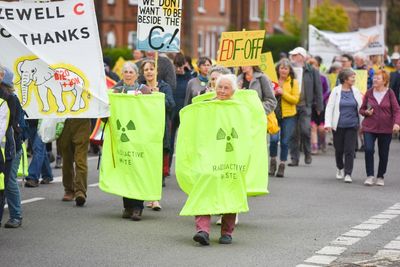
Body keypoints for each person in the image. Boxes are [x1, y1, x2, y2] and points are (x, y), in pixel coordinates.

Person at [178, 74, 244, 246]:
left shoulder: (239, 109)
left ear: (233, 90)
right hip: (207, 155)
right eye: (220, 86)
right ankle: (202, 230)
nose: (222, 90)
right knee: (203, 187)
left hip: (230, 157)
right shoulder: (205, 107)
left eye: (226, 87)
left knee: (230, 189)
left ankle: (227, 232)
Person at [111, 62, 151, 220]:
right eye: (125, 72)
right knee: (125, 172)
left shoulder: (144, 90)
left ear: (136, 74)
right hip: (123, 138)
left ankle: (138, 207)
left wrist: (144, 100)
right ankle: (127, 206)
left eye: (131, 72)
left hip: (139, 137)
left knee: (137, 171)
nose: (128, 74)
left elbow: (151, 110)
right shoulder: (116, 90)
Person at [141, 60, 175, 209]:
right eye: (146, 69)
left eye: (151, 69)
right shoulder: (140, 88)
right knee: (145, 165)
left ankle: (154, 198)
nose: (149, 72)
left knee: (157, 164)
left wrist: (158, 95)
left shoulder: (164, 87)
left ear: (157, 71)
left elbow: (171, 105)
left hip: (159, 130)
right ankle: (147, 195)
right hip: (143, 131)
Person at [359, 70, 400, 186]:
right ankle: (370, 175)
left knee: (383, 153)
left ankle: (380, 176)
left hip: (386, 128)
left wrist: (397, 123)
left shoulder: (390, 93)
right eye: (374, 77)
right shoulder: (369, 92)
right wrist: (366, 112)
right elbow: (361, 109)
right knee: (368, 150)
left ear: (385, 81)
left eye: (378, 78)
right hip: (369, 127)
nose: (375, 80)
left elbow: (397, 110)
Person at [325, 69, 363, 183]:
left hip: (352, 125)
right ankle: (340, 167)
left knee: (350, 150)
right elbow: (329, 107)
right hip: (338, 125)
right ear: (345, 79)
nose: (354, 79)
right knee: (339, 149)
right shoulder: (336, 91)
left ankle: (348, 173)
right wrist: (328, 123)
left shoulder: (356, 91)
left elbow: (361, 108)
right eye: (352, 77)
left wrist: (363, 123)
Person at [288, 47, 323, 166]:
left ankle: (307, 153)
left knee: (305, 130)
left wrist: (319, 106)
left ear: (302, 57)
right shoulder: (290, 70)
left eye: (295, 55)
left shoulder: (312, 70)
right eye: (292, 55)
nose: (292, 58)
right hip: (291, 105)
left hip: (305, 105)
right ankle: (294, 158)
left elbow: (318, 88)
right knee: (293, 133)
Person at [0, 67, 24, 228]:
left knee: (8, 182)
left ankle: (16, 215)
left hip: (11, 148)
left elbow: (9, 124)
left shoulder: (10, 99)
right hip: (7, 147)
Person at [269, 59, 300, 177]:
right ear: (278, 69)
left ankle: (282, 164)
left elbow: (295, 99)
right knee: (273, 139)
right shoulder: (272, 80)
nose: (283, 70)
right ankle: (272, 161)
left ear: (289, 70)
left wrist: (283, 93)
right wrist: (274, 93)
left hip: (289, 115)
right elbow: (267, 95)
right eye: (281, 68)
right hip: (274, 114)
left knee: (285, 141)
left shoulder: (293, 82)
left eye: (286, 68)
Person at [58, 115, 91, 205]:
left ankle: (80, 191)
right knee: (66, 160)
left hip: (82, 121)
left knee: (80, 160)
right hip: (64, 121)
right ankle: (69, 190)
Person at [170, 53, 193, 168]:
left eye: (180, 66)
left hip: (185, 112)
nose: (178, 69)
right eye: (176, 66)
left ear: (185, 64)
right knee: (169, 141)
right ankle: (166, 169)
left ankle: (186, 167)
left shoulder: (190, 78)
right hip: (172, 112)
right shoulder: (172, 78)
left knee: (186, 142)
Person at [308, 57, 330, 154]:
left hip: (322, 105)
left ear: (318, 66)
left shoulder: (323, 78)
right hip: (310, 105)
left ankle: (322, 142)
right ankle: (314, 146)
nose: (313, 67)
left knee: (321, 128)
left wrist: (320, 100)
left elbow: (327, 91)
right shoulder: (307, 78)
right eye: (311, 65)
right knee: (313, 127)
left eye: (315, 65)